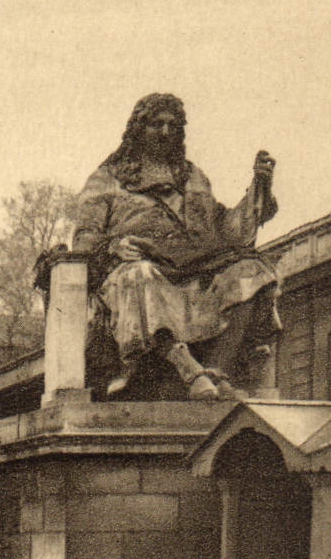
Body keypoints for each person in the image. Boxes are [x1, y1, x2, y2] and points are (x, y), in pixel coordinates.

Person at [72, 92, 280, 400]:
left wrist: (260, 188)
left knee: (253, 271)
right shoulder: (107, 178)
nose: (166, 132)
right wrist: (113, 246)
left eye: (173, 125)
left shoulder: (194, 178)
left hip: (195, 270)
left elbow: (229, 233)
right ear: (138, 129)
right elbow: (83, 239)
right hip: (138, 270)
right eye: (157, 124)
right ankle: (187, 368)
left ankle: (216, 371)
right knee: (138, 275)